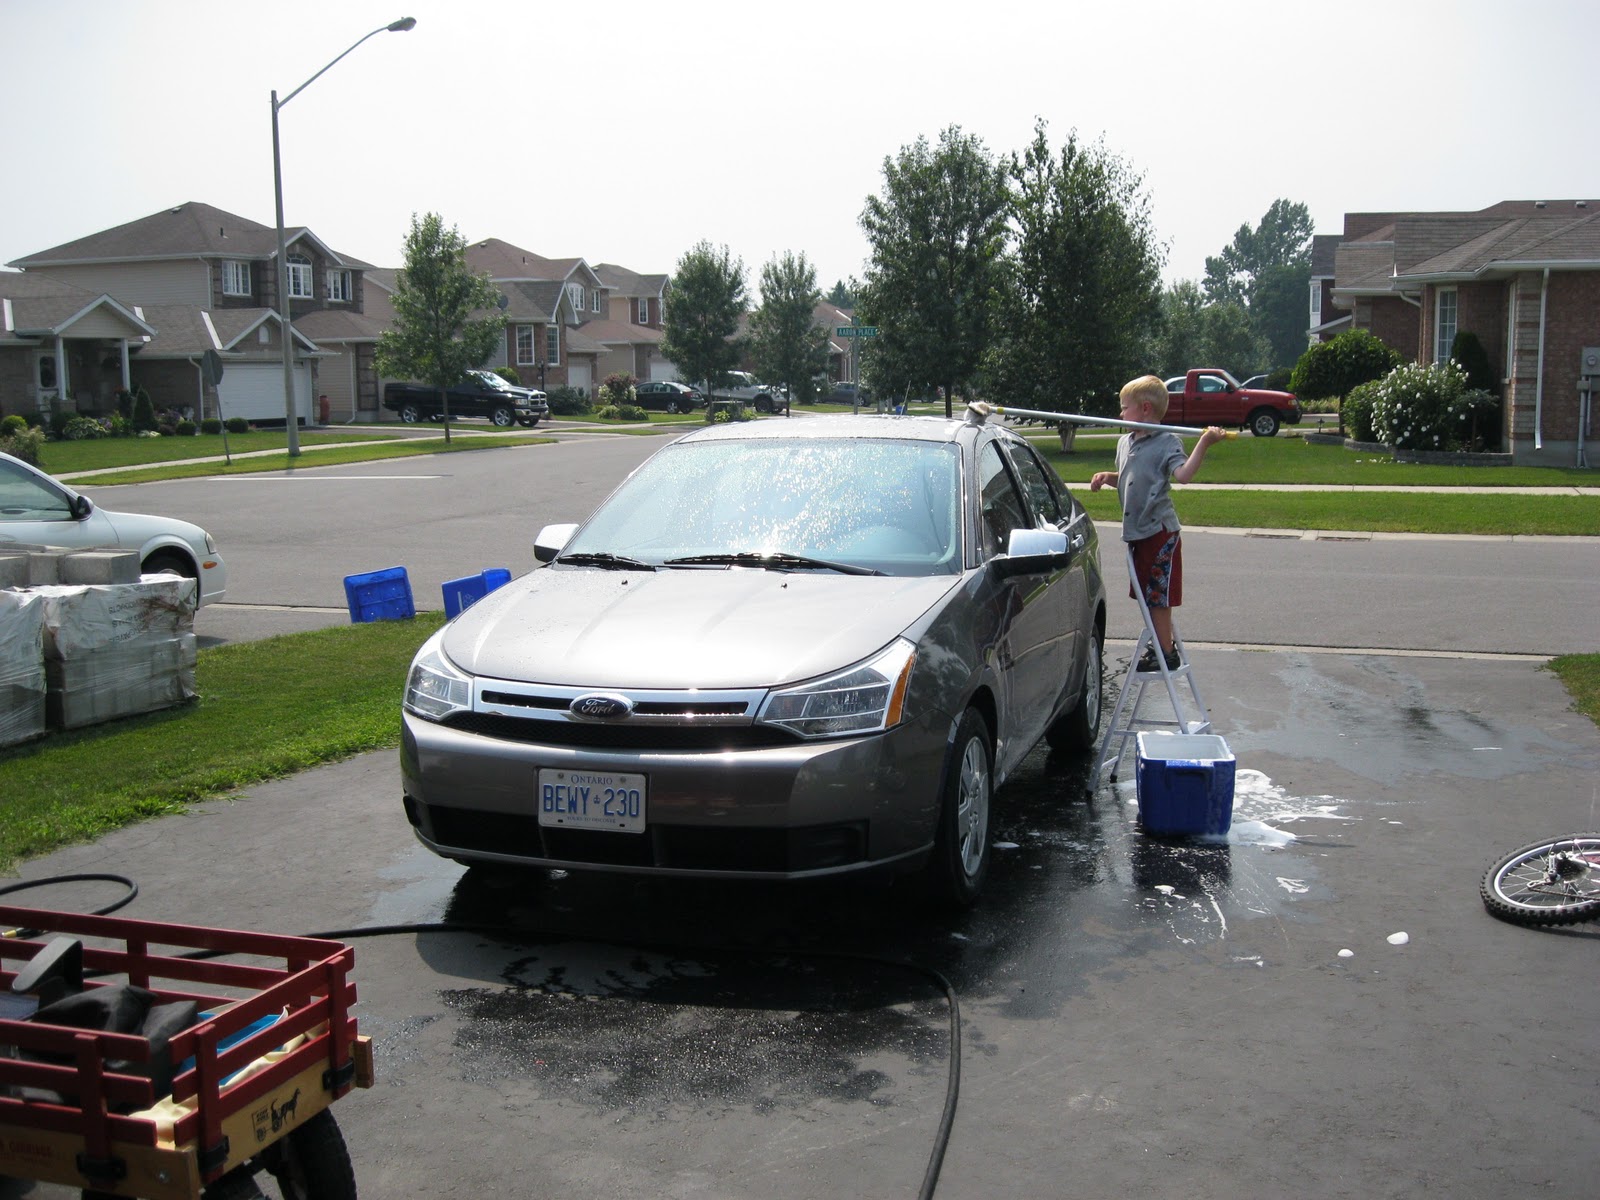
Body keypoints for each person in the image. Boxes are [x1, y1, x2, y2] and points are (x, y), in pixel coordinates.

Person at [1088, 375, 1225, 673]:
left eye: (1125, 408)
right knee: (1148, 596)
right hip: (1136, 534)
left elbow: (1184, 475)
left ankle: (1166, 652)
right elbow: (1130, 479)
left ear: (1145, 408)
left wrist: (1205, 442)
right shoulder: (1125, 442)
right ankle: (1163, 644)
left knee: (1158, 596)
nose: (1121, 414)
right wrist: (1106, 478)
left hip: (1160, 533)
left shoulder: (1166, 442)